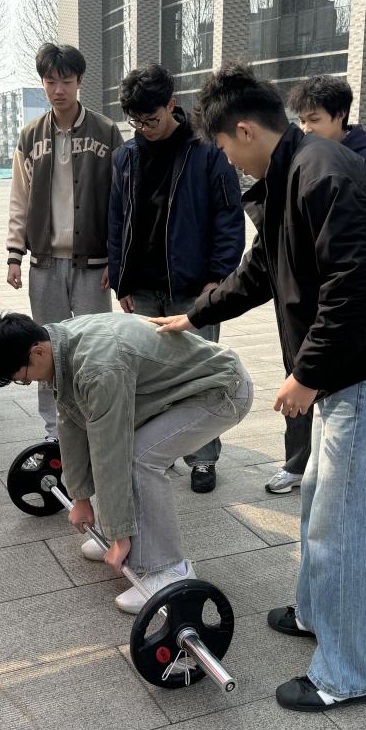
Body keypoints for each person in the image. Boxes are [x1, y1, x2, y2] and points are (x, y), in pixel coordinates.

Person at [151, 64, 366, 711]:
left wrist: (307, 375)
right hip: (350, 372)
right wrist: (195, 315)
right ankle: (314, 613)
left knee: (343, 528)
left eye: (225, 147)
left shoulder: (321, 172)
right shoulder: (288, 174)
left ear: (245, 130)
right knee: (319, 504)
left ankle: (347, 675)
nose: (228, 161)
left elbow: (360, 283)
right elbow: (261, 269)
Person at [0, 311, 253, 613]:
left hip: (221, 389)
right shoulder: (59, 342)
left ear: (37, 351)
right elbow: (71, 422)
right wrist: (80, 498)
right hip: (181, 389)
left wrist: (119, 536)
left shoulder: (98, 367)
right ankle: (135, 542)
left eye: (24, 378)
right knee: (130, 456)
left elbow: (110, 450)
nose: (29, 383)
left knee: (140, 458)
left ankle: (169, 570)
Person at [261, 75, 366, 496]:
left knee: (343, 495)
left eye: (315, 120)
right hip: (317, 319)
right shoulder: (305, 164)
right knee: (301, 386)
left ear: (341, 115)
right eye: (302, 120)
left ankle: (312, 470)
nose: (307, 129)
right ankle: (298, 464)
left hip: (355, 330)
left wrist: (359, 301)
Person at [108, 63, 245, 494]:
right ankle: (159, 452)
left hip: (194, 288)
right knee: (148, 376)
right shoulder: (126, 157)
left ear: (172, 105)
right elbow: (117, 221)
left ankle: (203, 458)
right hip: (143, 288)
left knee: (201, 374)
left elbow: (229, 217)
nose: (144, 129)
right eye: (136, 121)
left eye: (151, 119)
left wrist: (218, 277)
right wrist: (121, 280)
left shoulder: (206, 151)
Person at [5, 43, 124, 441]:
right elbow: (19, 199)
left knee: (96, 346)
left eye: (67, 81)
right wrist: (14, 255)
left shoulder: (106, 132)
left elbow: (120, 203)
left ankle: (98, 419)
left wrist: (116, 259)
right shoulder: (30, 136)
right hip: (44, 264)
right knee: (45, 347)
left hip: (94, 264)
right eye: (50, 81)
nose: (59, 90)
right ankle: (54, 429)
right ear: (43, 83)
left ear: (79, 82)